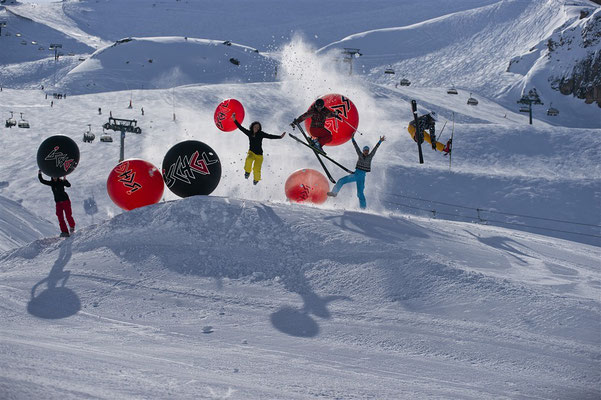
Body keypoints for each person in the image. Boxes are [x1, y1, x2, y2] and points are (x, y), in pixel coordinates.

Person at [327, 135, 385, 209]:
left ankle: (363, 209)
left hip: (361, 176)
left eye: (367, 150)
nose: (366, 152)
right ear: (363, 151)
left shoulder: (370, 157)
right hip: (357, 173)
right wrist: (352, 138)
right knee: (342, 180)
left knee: (360, 194)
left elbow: (375, 149)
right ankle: (334, 192)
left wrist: (380, 141)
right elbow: (356, 147)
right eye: (365, 150)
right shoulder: (360, 155)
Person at [232, 113, 285, 185]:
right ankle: (247, 172)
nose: (257, 128)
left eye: (258, 127)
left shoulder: (261, 134)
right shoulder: (249, 133)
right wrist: (235, 120)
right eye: (255, 127)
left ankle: (256, 180)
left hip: (259, 156)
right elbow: (241, 128)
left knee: (257, 169)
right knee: (249, 159)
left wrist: (279, 137)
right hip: (251, 153)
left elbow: (269, 136)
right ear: (252, 127)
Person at [38, 170, 76, 237]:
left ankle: (72, 227)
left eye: (55, 176)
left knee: (68, 215)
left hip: (65, 201)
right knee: (60, 217)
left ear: (58, 177)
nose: (54, 178)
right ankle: (64, 232)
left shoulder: (61, 182)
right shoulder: (51, 183)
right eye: (53, 177)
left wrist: (65, 180)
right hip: (58, 203)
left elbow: (68, 185)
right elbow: (42, 181)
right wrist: (39, 173)